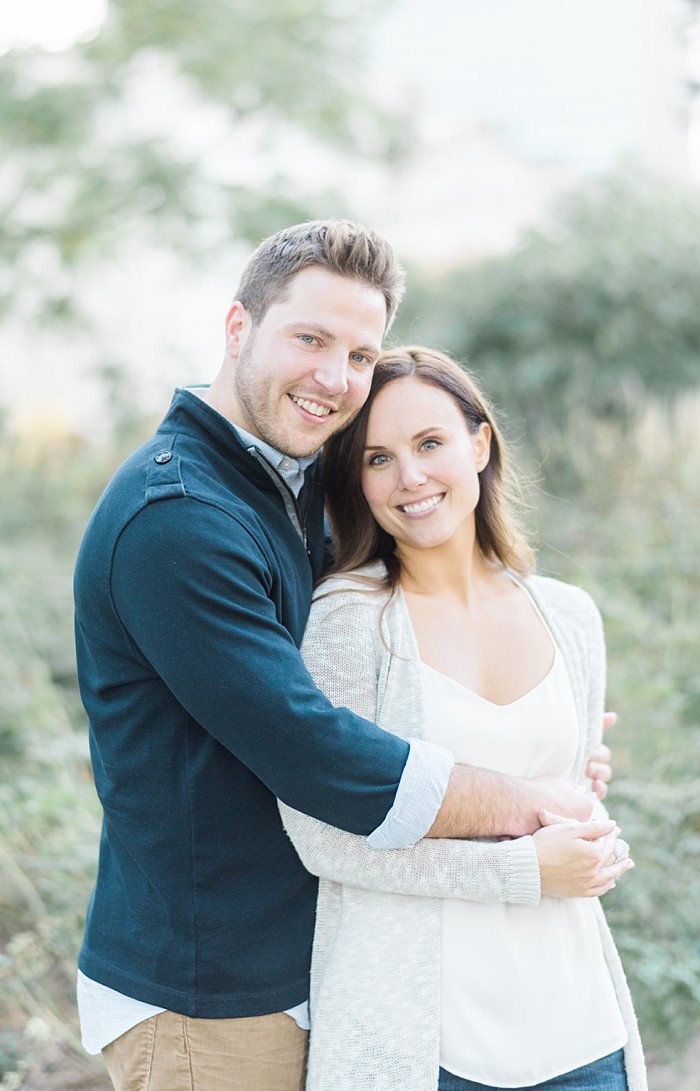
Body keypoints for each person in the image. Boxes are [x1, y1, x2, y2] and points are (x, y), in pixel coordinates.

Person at [73, 221, 618, 1091]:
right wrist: (523, 801)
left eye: (360, 354)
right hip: (208, 990)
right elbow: (313, 747)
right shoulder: (178, 516)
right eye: (310, 339)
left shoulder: (283, 489)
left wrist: (543, 740)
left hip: (306, 964)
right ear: (237, 328)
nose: (335, 378)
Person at [279, 345, 646, 1091]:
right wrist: (518, 869)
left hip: (579, 1028)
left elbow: (565, 801)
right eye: (377, 458)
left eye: (430, 443)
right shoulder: (351, 622)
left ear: (479, 443)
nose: (409, 478)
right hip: (425, 1044)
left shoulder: (570, 616)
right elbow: (324, 837)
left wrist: (588, 834)